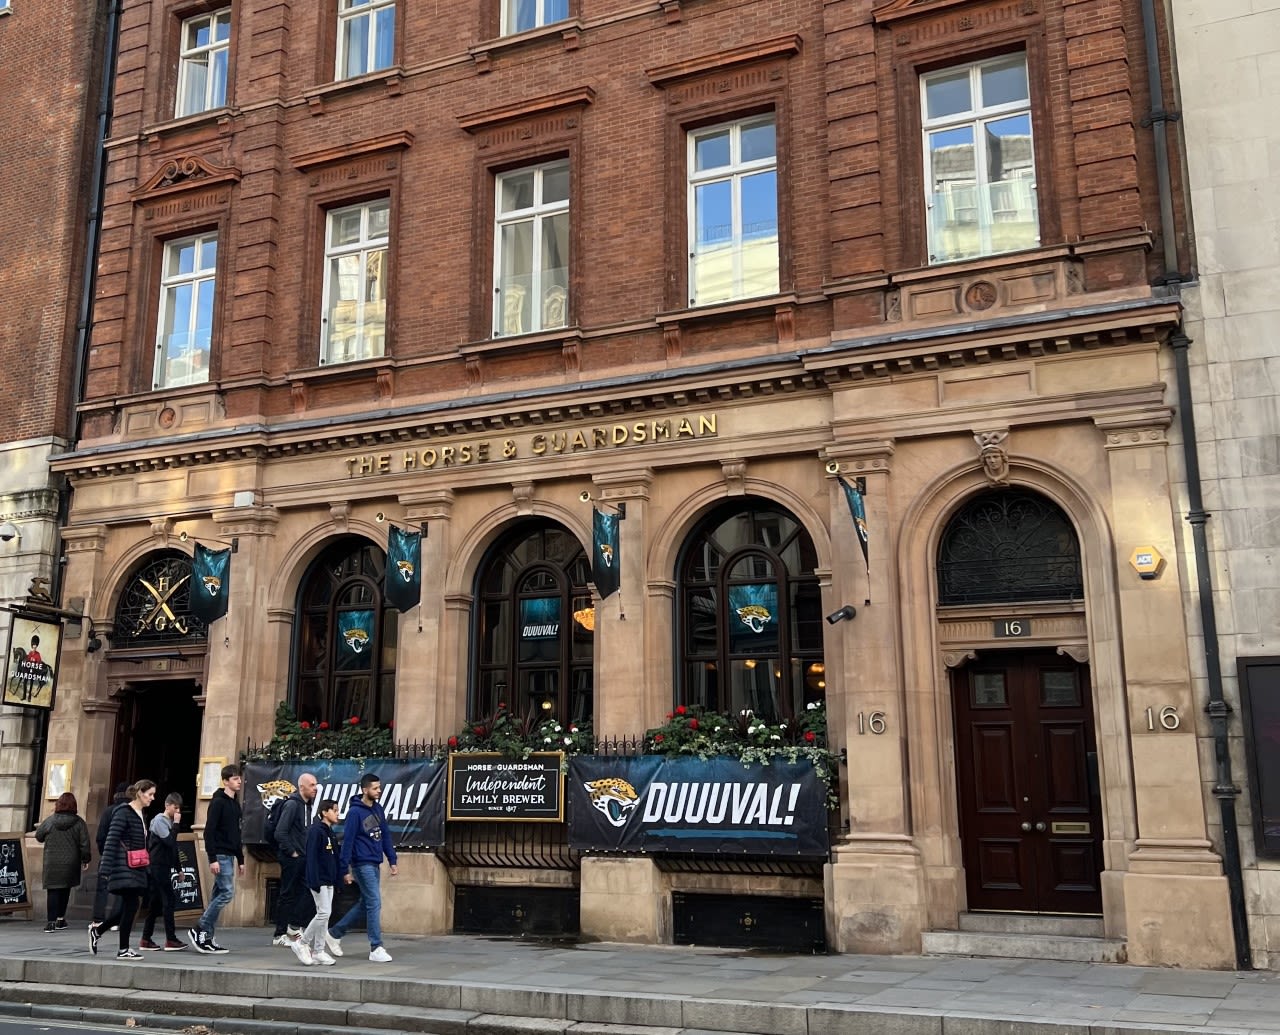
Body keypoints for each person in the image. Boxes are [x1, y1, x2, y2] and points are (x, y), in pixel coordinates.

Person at [325, 772, 397, 963]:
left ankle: (334, 933)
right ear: (365, 790)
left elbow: (386, 836)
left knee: (366, 903)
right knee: (374, 902)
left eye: (379, 787)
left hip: (374, 862)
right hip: (361, 863)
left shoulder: (378, 810)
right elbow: (347, 842)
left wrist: (392, 859)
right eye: (375, 788)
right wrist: (344, 869)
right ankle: (376, 947)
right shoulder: (355, 813)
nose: (379, 791)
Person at [90, 780, 155, 960]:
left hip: (137, 866)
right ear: (140, 793)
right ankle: (123, 949)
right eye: (150, 794)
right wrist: (105, 869)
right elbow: (111, 839)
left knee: (129, 906)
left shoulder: (141, 814)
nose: (152, 798)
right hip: (124, 866)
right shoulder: (123, 813)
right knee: (131, 905)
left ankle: (99, 931)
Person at [189, 764, 243, 954]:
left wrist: (241, 859)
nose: (239, 781)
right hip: (220, 854)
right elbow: (209, 831)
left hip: (230, 855)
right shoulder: (218, 802)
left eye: (239, 778)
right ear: (226, 781)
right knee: (227, 893)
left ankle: (207, 938)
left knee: (216, 896)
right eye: (235, 778)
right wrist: (212, 858)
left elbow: (236, 833)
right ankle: (200, 927)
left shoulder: (235, 804)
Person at [271, 772, 317, 949]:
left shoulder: (308, 806)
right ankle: (279, 933)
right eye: (312, 785)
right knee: (287, 894)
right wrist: (293, 852)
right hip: (292, 857)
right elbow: (280, 832)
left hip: (304, 857)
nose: (315, 788)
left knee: (307, 891)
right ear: (302, 787)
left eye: (315, 785)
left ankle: (293, 927)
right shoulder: (292, 805)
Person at [34, 792, 91, 932]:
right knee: (65, 888)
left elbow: (38, 836)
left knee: (52, 890)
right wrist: (85, 859)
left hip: (51, 860)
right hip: (71, 861)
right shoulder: (79, 822)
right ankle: (60, 919)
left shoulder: (50, 821)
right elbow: (84, 843)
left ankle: (50, 922)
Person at [139, 792, 185, 951]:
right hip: (157, 866)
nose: (177, 812)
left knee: (156, 904)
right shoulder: (159, 821)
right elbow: (170, 842)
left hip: (163, 866)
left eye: (179, 808)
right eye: (175, 808)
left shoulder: (169, 822)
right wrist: (177, 825)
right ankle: (170, 940)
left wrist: (179, 869)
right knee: (169, 901)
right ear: (167, 806)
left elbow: (174, 848)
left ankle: (146, 939)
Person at [298, 798, 341, 966]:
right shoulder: (316, 831)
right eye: (334, 810)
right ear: (324, 812)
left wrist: (337, 879)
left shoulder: (330, 832)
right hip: (319, 880)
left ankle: (318, 951)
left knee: (325, 914)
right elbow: (312, 858)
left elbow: (334, 857)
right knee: (323, 913)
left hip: (329, 879)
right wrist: (314, 880)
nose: (337, 814)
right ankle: (302, 943)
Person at [92, 782, 129, 924]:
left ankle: (98, 918)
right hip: (124, 857)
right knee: (122, 889)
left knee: (102, 887)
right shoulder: (131, 811)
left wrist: (104, 852)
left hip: (108, 854)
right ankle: (115, 920)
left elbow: (100, 836)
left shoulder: (108, 811)